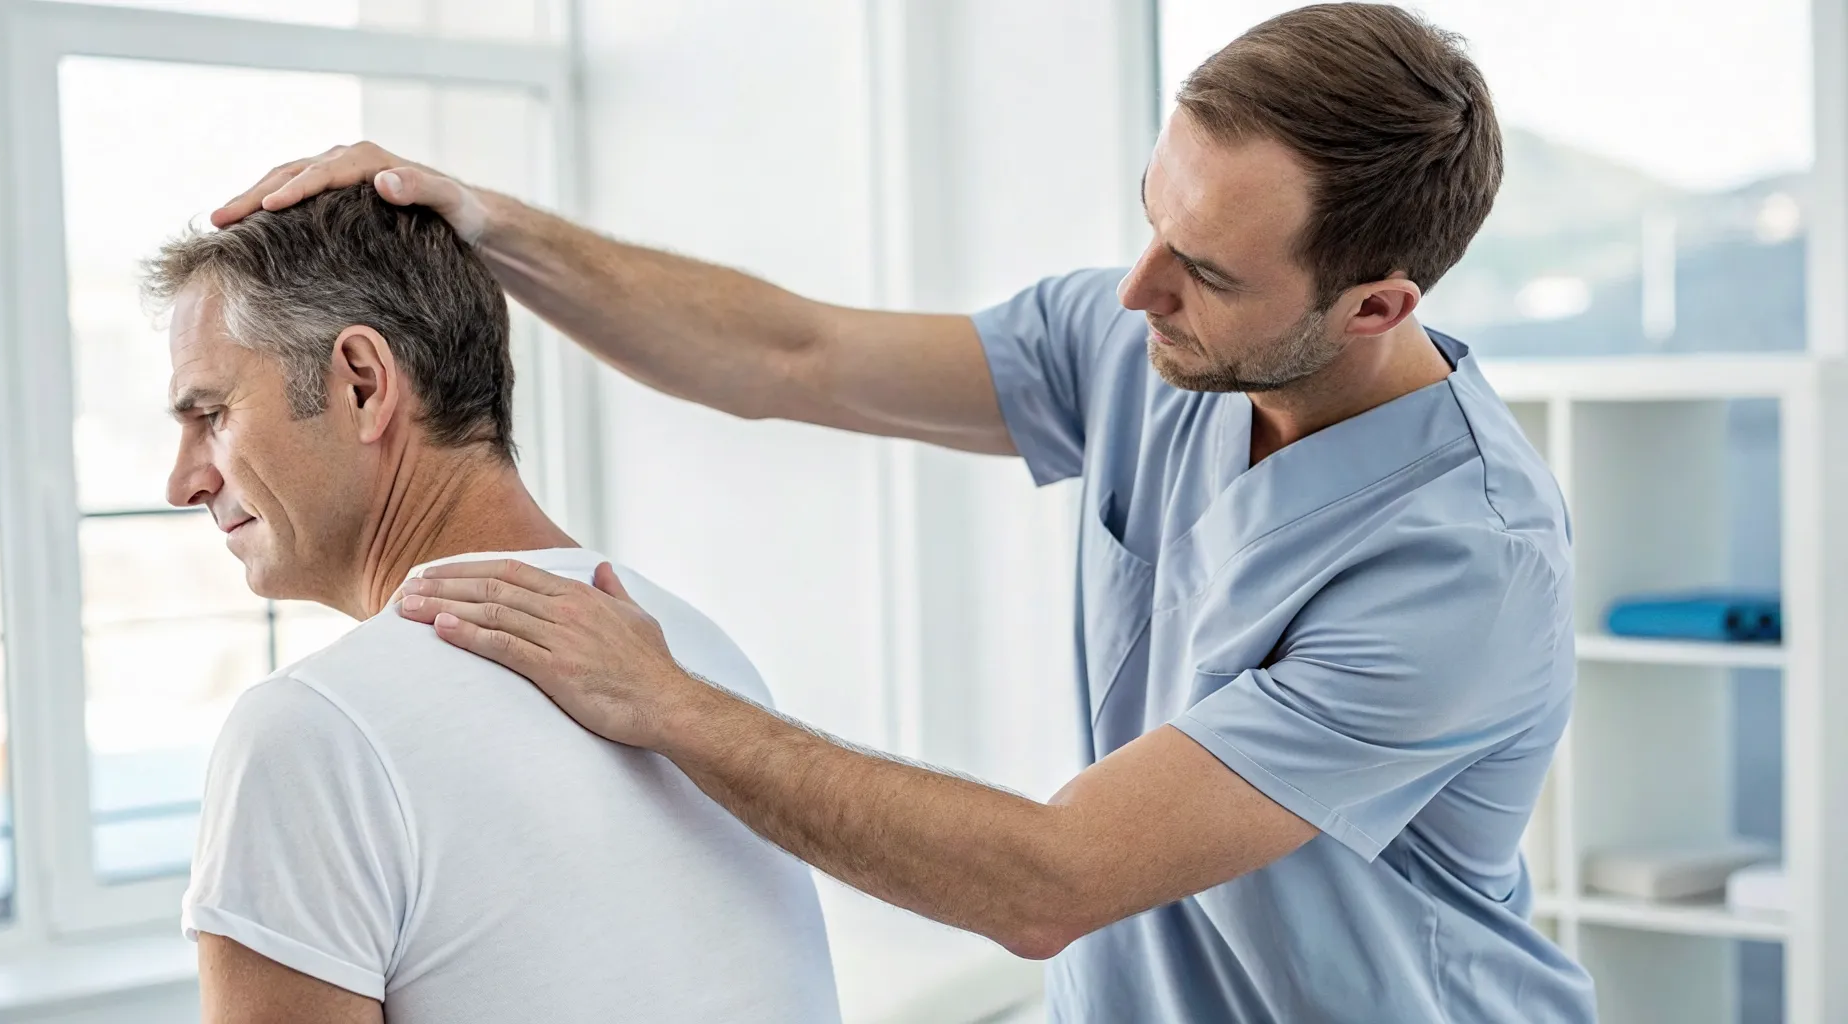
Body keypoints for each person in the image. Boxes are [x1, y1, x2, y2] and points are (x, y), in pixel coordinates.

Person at [217, 5, 1596, 1021]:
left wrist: (669, 698)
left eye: (1206, 271)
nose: (1135, 291)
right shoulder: (1154, 352)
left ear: (1377, 306)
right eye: (1150, 218)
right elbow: (788, 357)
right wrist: (495, 223)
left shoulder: (1464, 564)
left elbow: (1049, 881)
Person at [153, 183, 840, 1024]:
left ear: (363, 385)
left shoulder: (313, 733)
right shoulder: (693, 647)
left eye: (212, 414)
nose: (185, 481)